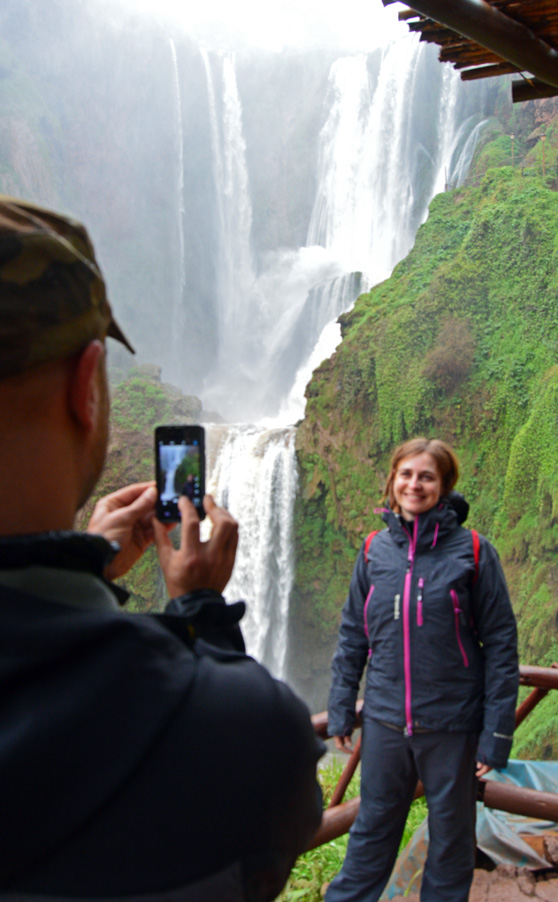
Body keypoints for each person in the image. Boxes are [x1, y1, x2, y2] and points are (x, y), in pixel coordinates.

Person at [0, 195, 324, 901]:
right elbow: (278, 804)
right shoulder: (243, 731)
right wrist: (201, 608)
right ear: (87, 388)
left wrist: (77, 567)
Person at [325, 438, 519, 902]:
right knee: (370, 838)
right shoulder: (374, 550)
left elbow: (501, 645)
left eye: (427, 476)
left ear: (444, 486)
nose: (415, 484)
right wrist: (339, 708)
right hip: (386, 723)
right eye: (407, 474)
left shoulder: (473, 551)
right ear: (392, 481)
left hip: (452, 725)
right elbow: (354, 633)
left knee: (450, 847)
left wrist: (496, 734)